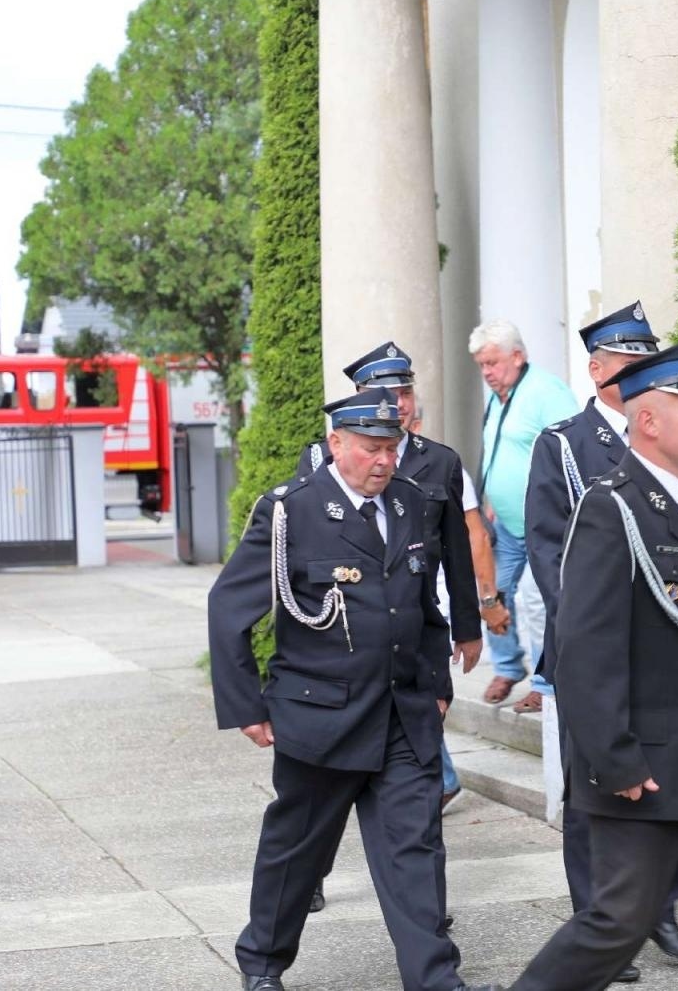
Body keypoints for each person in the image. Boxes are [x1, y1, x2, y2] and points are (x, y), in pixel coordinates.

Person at [499, 338, 678, 991]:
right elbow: (582, 647)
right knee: (617, 924)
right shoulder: (610, 507)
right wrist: (614, 757)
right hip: (644, 766)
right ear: (648, 421)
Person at [208, 390, 496, 991]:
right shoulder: (292, 512)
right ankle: (262, 964)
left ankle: (435, 981)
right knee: (298, 852)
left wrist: (437, 682)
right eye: (370, 448)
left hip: (401, 713)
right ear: (336, 443)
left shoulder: (412, 503)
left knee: (413, 852)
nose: (384, 461)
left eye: (392, 448)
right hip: (322, 718)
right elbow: (229, 607)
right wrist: (245, 706)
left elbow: (424, 605)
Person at [294, 342, 498, 913]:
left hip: (415, 631)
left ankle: (421, 900)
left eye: (406, 392)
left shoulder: (439, 462)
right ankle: (310, 872)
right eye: (386, 394)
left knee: (411, 779)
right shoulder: (321, 461)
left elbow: (457, 549)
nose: (399, 403)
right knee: (335, 777)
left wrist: (468, 623)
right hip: (346, 642)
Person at [523, 302, 678, 980]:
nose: (644, 372)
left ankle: (662, 915)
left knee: (671, 783)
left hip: (666, 652)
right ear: (596, 370)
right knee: (594, 794)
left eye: (649, 359)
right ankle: (600, 925)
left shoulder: (665, 437)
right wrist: (597, 637)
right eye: (629, 361)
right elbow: (549, 551)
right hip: (594, 654)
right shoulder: (563, 445)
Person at [469, 320, 579, 712]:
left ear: (518, 356)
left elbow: (574, 449)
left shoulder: (547, 393)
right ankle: (507, 666)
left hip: (546, 524)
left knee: (535, 600)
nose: (487, 373)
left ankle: (543, 679)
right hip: (507, 524)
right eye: (481, 365)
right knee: (491, 591)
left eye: (492, 363)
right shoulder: (499, 396)